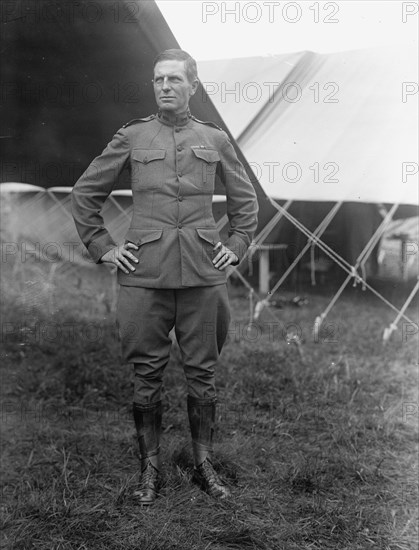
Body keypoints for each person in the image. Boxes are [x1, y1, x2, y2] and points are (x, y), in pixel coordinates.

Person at [71, 49, 258, 505]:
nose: (166, 87)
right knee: (145, 375)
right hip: (143, 273)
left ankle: (204, 465)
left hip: (203, 273)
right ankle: (149, 470)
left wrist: (233, 248)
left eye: (175, 79)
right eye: (159, 80)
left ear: (193, 85)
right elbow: (84, 193)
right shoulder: (133, 136)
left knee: (203, 374)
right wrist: (104, 248)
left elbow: (246, 203)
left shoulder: (213, 139)